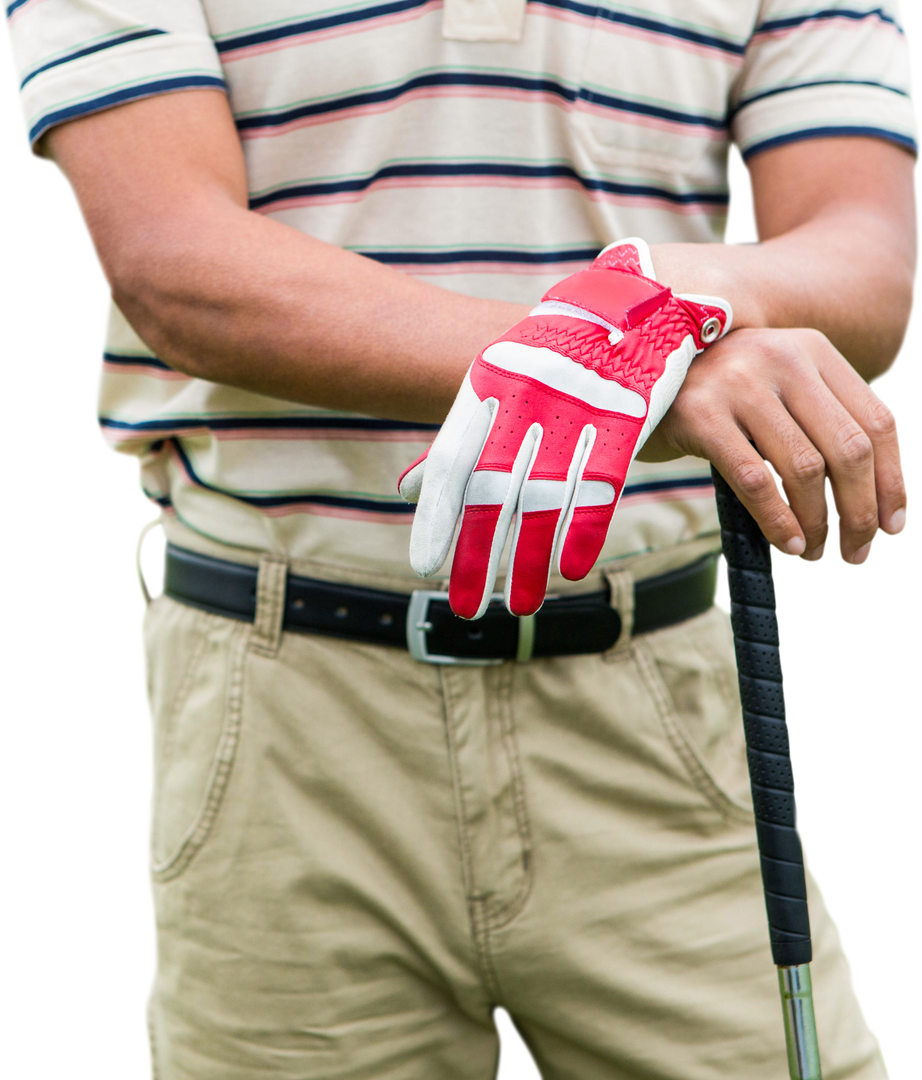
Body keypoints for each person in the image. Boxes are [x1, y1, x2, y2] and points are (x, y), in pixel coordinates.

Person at [5, 1, 916, 1076]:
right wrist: (600, 363)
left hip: (657, 704)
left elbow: (865, 261)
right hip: (288, 720)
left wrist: (675, 310)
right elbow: (173, 262)